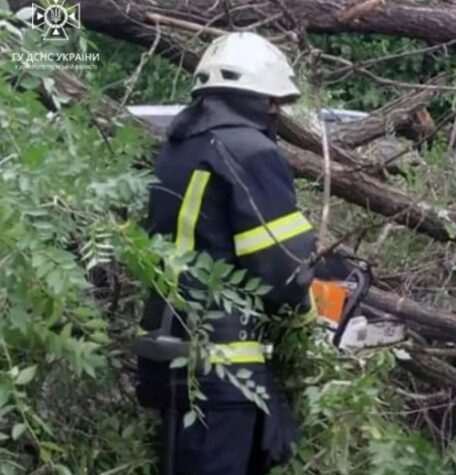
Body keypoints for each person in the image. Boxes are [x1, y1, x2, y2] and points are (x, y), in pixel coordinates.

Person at [136, 32, 316, 475]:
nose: (276, 112)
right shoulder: (251, 152)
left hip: (165, 355)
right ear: (257, 98)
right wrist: (309, 318)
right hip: (223, 367)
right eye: (274, 102)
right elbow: (281, 271)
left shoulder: (177, 148)